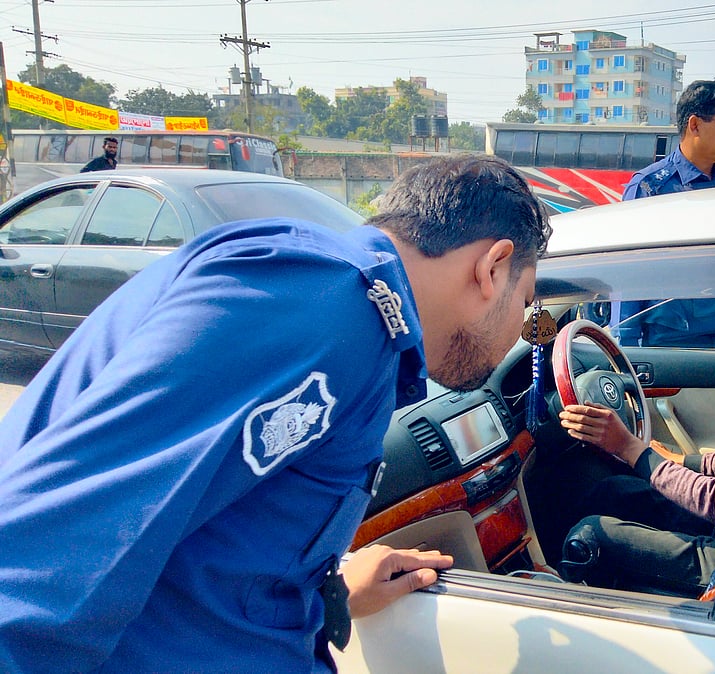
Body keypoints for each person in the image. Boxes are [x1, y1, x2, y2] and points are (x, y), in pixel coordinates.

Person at [0, 155, 552, 672]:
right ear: (493, 267)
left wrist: (323, 590)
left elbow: (210, 528)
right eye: (526, 303)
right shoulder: (323, 308)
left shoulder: (344, 311)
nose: (516, 334)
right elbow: (46, 561)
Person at [555, 295, 715, 596]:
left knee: (590, 535)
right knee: (615, 491)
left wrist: (631, 449)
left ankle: (554, 590)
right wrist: (684, 460)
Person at [618, 75, 715, 349]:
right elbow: (630, 269)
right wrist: (626, 343)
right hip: (671, 338)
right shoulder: (650, 187)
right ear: (695, 125)